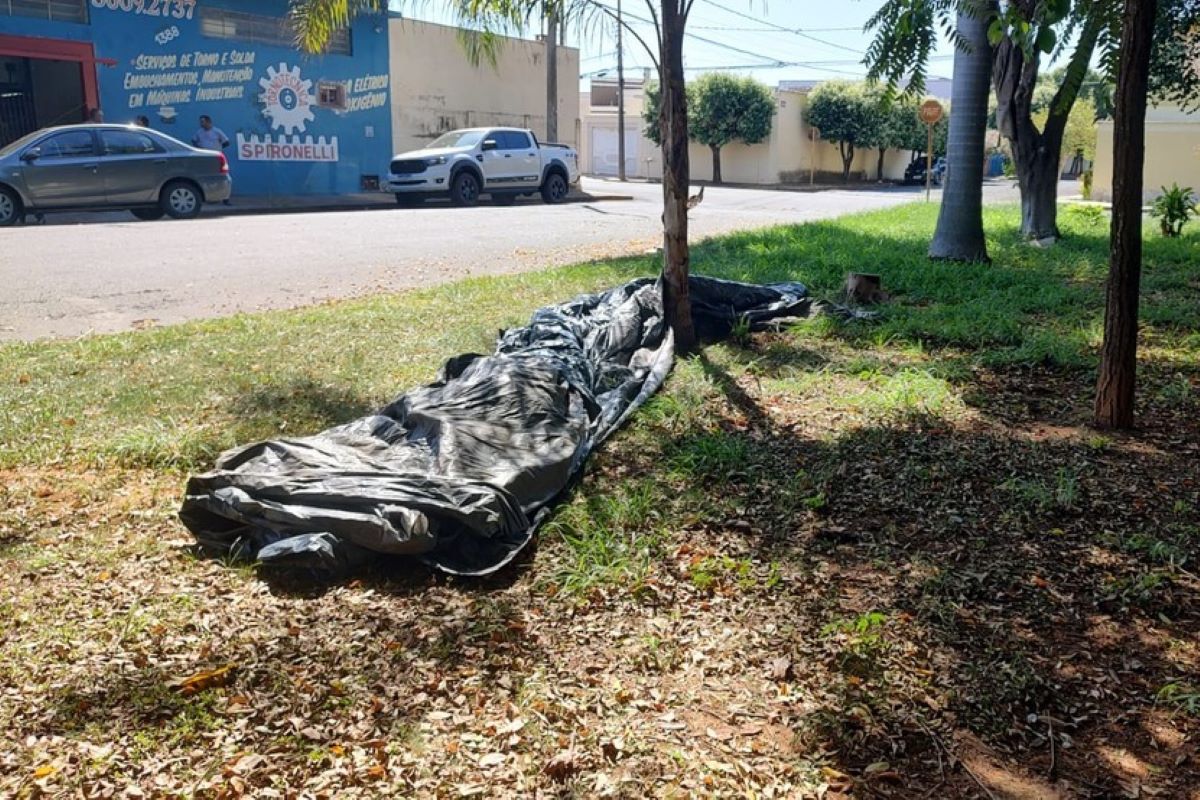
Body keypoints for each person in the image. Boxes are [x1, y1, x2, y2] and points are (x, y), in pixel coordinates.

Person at [192, 115, 232, 204]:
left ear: (208, 122)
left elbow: (227, 142)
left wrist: (218, 149)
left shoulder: (217, 131)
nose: (201, 124)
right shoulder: (199, 132)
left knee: (223, 177)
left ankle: (226, 199)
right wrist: (198, 148)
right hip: (204, 158)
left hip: (216, 158)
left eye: (203, 121)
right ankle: (209, 198)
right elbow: (193, 140)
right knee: (205, 178)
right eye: (200, 122)